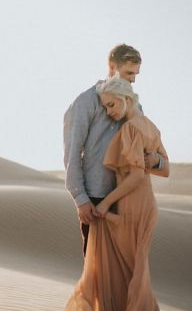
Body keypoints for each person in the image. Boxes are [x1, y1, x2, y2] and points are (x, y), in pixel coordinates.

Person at [64, 75, 175, 311]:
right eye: (105, 106)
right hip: (145, 205)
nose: (110, 111)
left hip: (129, 205)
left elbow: (136, 176)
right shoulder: (150, 126)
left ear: (127, 98)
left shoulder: (129, 129)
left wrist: (107, 204)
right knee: (135, 272)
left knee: (123, 273)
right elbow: (164, 169)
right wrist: (151, 161)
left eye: (112, 105)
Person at [63, 44, 168, 256]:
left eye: (136, 74)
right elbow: (72, 154)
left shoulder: (135, 107)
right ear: (112, 66)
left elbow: (155, 153)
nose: (133, 79)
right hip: (95, 199)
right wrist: (80, 198)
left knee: (125, 271)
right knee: (98, 273)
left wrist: (154, 160)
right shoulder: (86, 102)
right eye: (129, 72)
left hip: (128, 200)